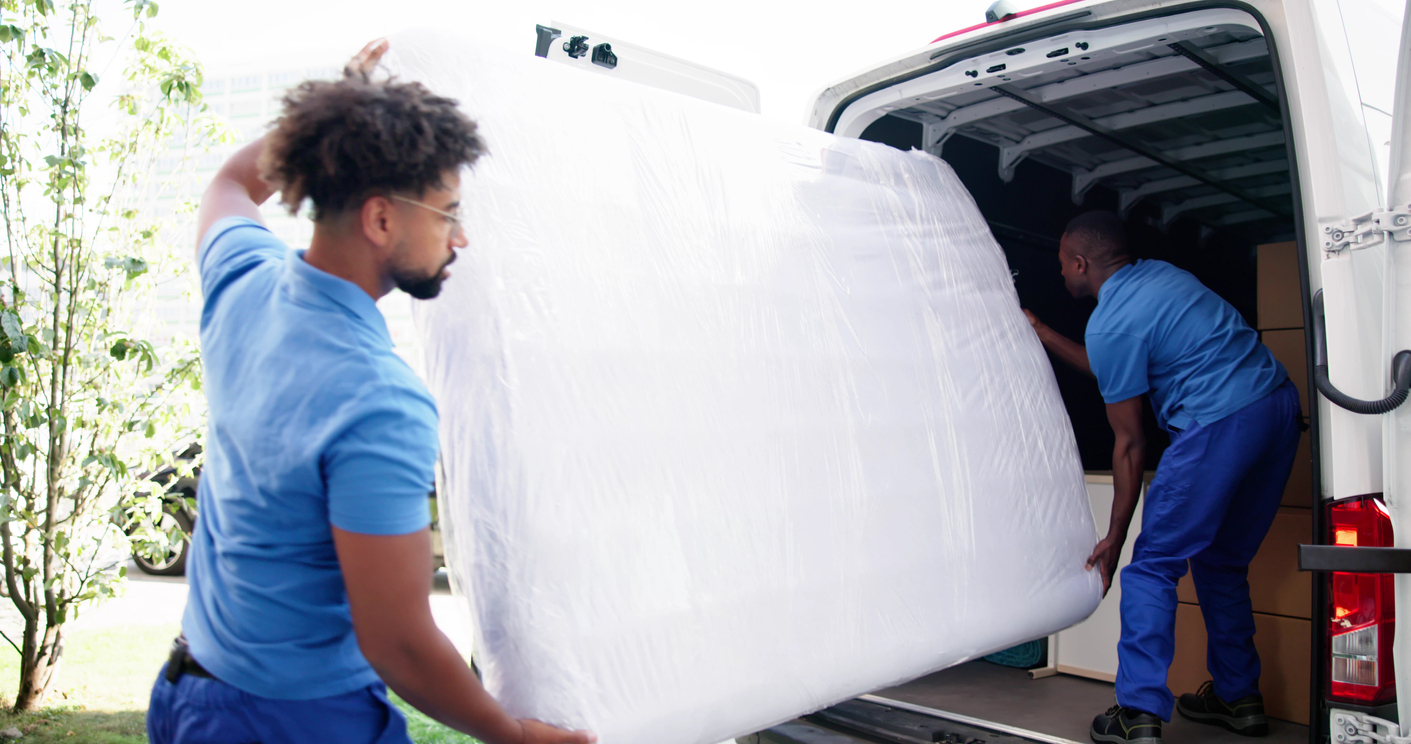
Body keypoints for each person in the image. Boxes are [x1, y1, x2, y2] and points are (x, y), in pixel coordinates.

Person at [146, 39, 596, 744]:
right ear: (382, 219)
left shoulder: (244, 281)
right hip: (295, 724)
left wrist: (341, 119)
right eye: (447, 213)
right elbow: (399, 641)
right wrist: (513, 736)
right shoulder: (378, 400)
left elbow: (230, 184)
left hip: (190, 696)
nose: (462, 237)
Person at [1024, 211, 1299, 744]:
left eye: (1062, 263)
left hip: (1218, 421)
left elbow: (1130, 445)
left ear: (1081, 264)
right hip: (1277, 410)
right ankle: (1239, 697)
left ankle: (1138, 712)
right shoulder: (1163, 278)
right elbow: (1112, 363)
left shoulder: (1110, 322)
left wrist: (1115, 538)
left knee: (1150, 569)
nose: (1059, 273)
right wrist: (1039, 331)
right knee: (1222, 562)